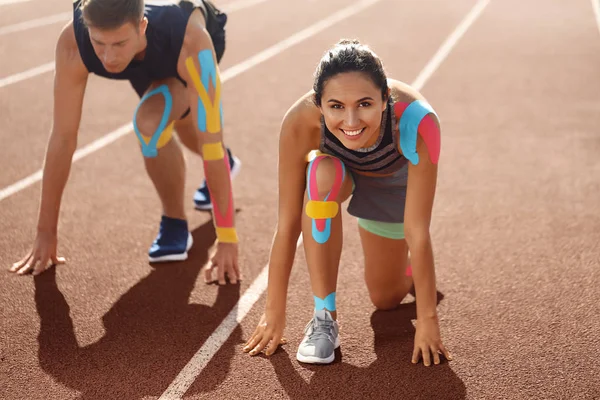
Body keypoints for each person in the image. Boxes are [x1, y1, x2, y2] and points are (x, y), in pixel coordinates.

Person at [243, 39, 452, 365]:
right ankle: (324, 318)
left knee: (385, 299)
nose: (351, 121)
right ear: (319, 103)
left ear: (385, 99)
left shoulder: (419, 123)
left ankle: (406, 270)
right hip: (341, 172)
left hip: (391, 182)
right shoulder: (300, 122)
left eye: (364, 104)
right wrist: (274, 312)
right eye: (336, 106)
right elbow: (287, 224)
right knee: (320, 176)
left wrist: (427, 320)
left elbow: (418, 230)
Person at [9, 0, 241, 285]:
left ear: (141, 26)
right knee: (174, 119)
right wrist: (46, 231)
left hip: (181, 47)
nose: (108, 57)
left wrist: (227, 237)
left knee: (155, 125)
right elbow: (63, 137)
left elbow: (211, 146)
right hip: (144, 57)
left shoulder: (192, 43)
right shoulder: (75, 41)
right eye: (99, 43)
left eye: (118, 43)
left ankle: (173, 222)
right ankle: (215, 177)